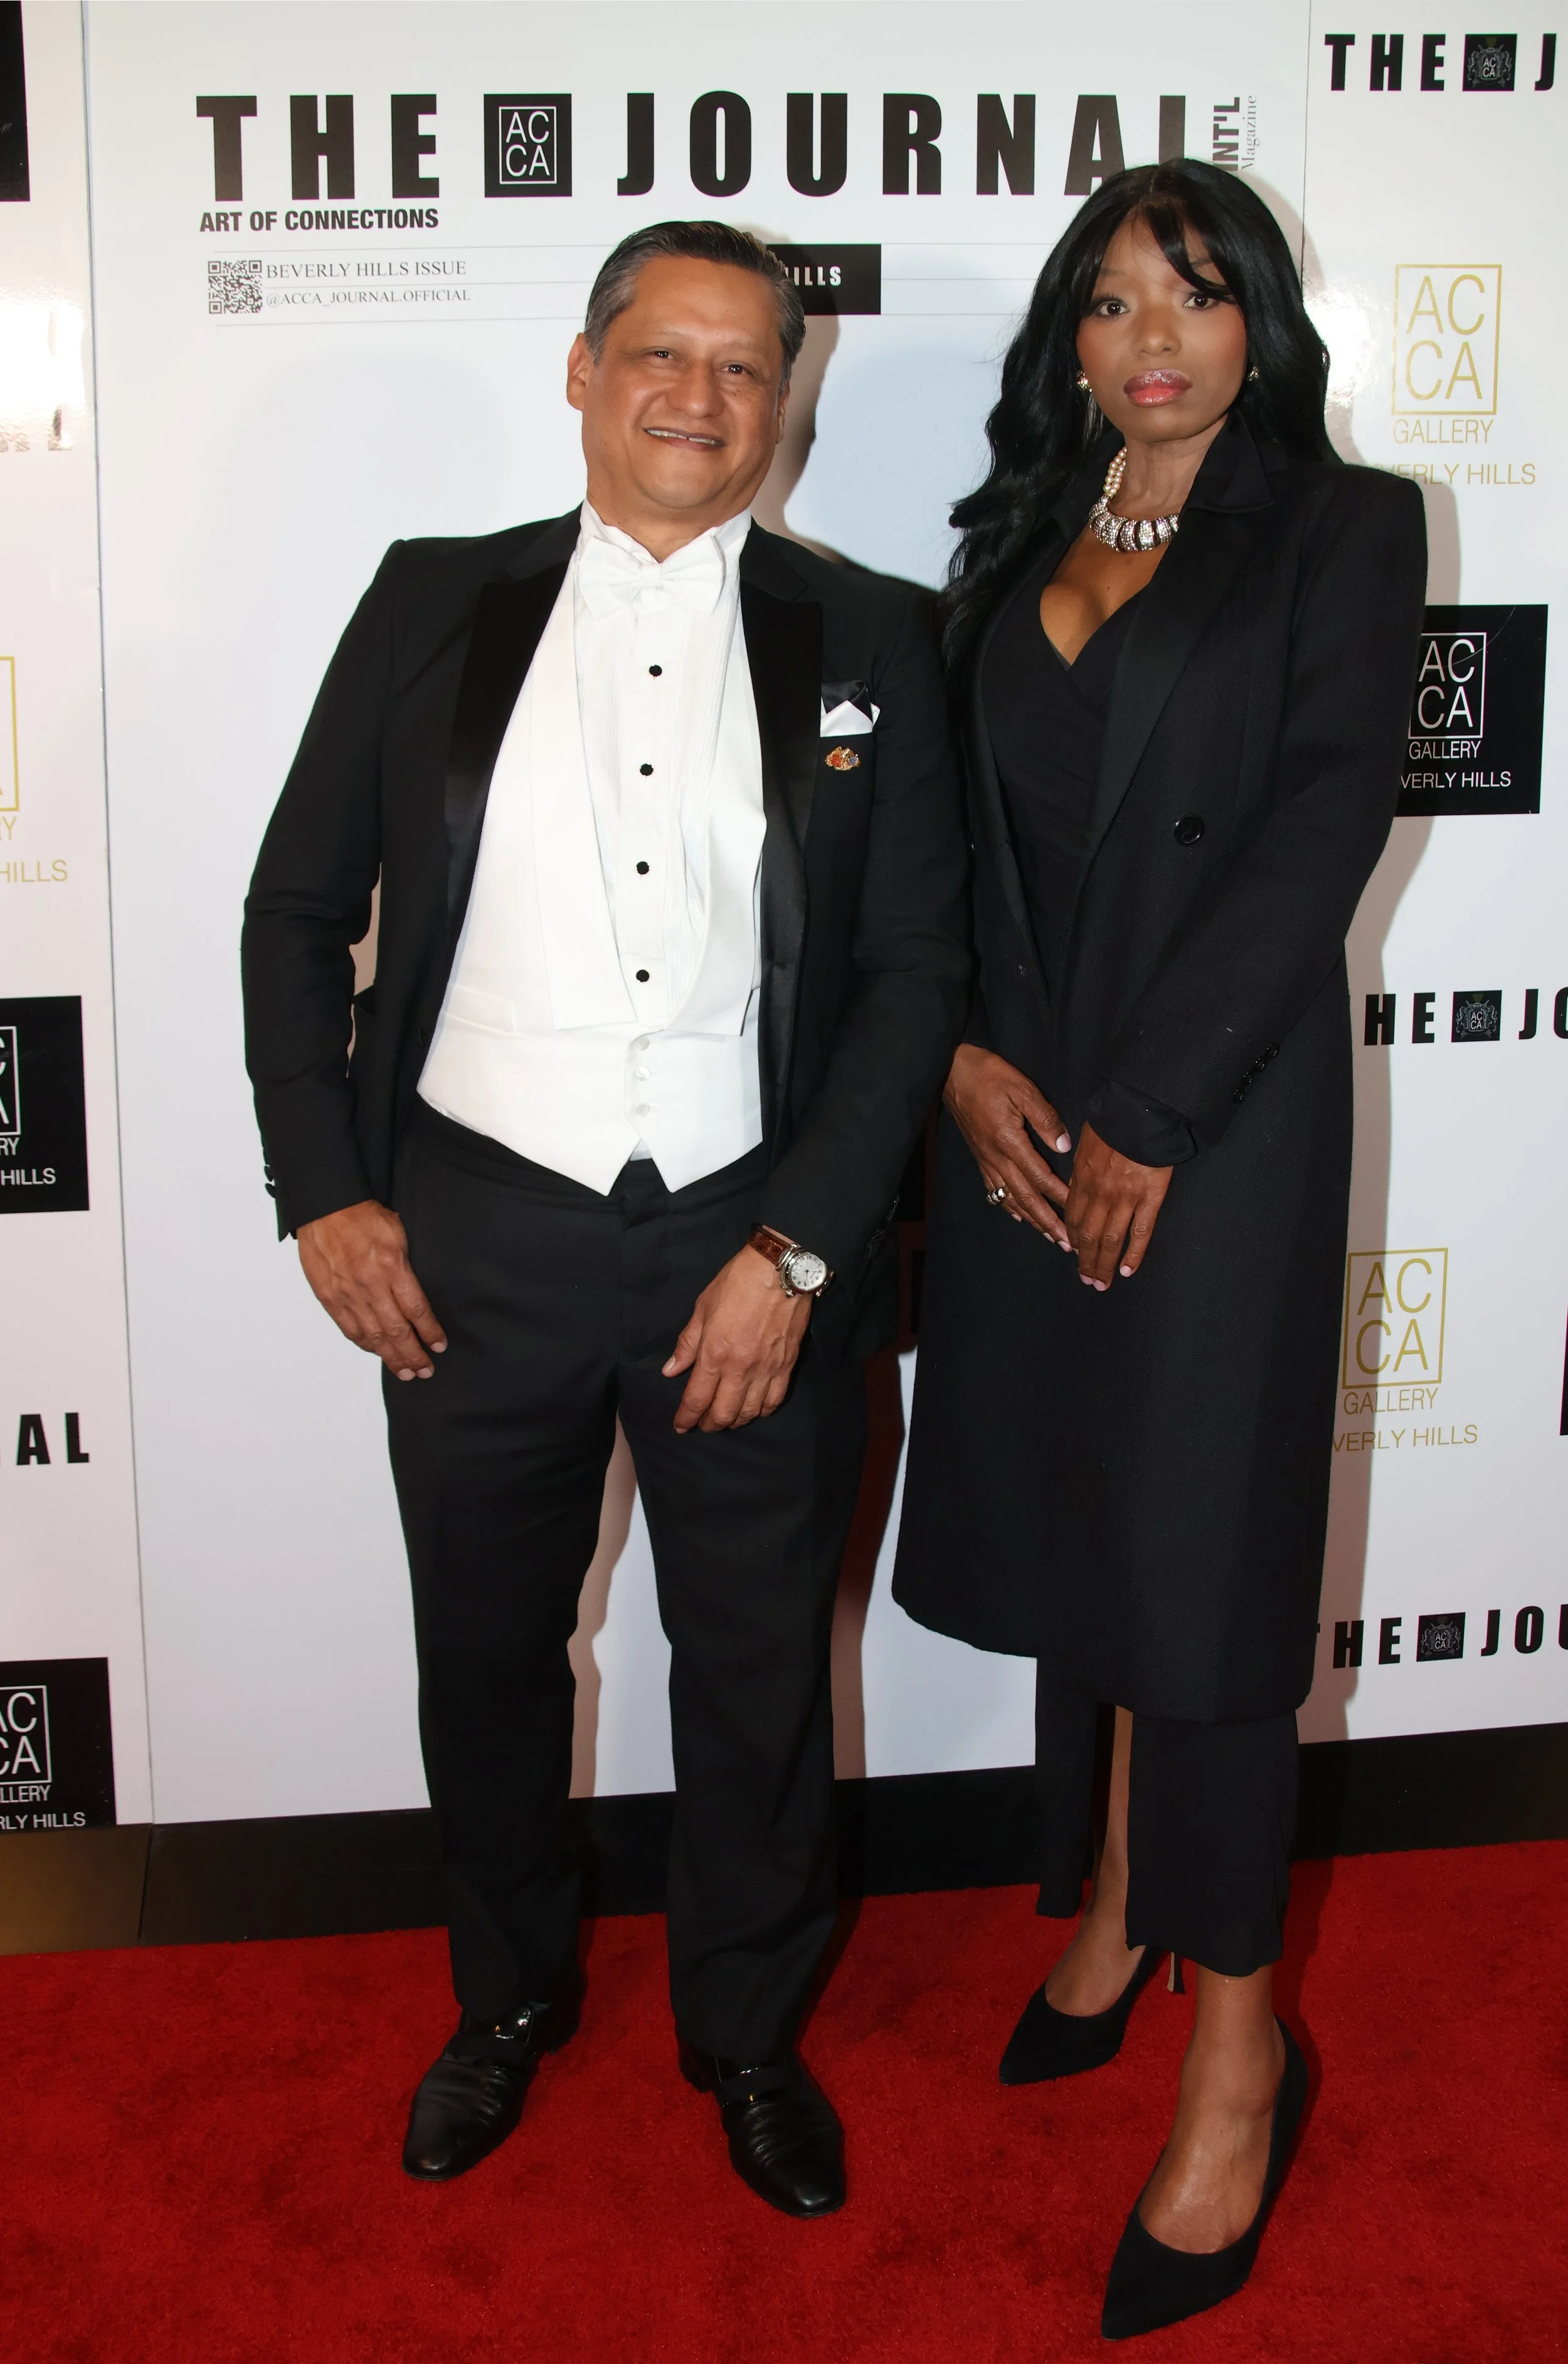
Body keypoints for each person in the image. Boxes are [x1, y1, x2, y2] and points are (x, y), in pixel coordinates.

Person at [242, 220, 968, 2217]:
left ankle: (744, 2030)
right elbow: (296, 910)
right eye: (660, 352)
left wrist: (797, 1251)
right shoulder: (432, 600)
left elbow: (912, 972)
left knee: (756, 1666)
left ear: (784, 400)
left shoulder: (873, 636)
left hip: (748, 1238)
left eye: (743, 366)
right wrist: (323, 1190)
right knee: (486, 1654)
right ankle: (502, 2002)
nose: (698, 397)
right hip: (472, 1236)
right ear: (582, 370)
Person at [893, 162, 1424, 2336]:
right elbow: (939, 843)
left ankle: (1236, 2060)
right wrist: (951, 1058)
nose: (1152, 340)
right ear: (1070, 341)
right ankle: (1112, 1893)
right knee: (1075, 1524)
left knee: (1200, 1581)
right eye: (1111, 303)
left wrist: (1158, 1111)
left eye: (1194, 297)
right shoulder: (1018, 532)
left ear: (1257, 321)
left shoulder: (1343, 525)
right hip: (1020, 1123)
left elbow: (1320, 823)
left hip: (1215, 1129)